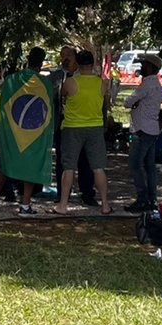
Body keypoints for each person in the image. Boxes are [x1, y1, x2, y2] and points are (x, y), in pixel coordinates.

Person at [0, 47, 55, 215]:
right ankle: (25, 204)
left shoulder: (12, 79)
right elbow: (48, 109)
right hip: (33, 130)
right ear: (41, 63)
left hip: (13, 128)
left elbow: (4, 105)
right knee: (31, 166)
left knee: (6, 161)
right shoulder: (45, 83)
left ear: (27, 59)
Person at [53, 47, 110, 215]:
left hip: (72, 127)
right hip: (95, 128)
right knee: (98, 167)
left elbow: (63, 95)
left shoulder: (71, 82)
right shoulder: (101, 83)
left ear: (78, 63)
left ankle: (63, 204)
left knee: (68, 167)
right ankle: (105, 204)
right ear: (93, 64)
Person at [123, 53, 162, 211]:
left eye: (144, 65)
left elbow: (127, 102)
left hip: (141, 130)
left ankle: (142, 199)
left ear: (151, 67)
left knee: (135, 165)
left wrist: (135, 102)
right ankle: (152, 199)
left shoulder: (146, 85)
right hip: (152, 128)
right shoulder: (157, 85)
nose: (141, 67)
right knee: (150, 166)